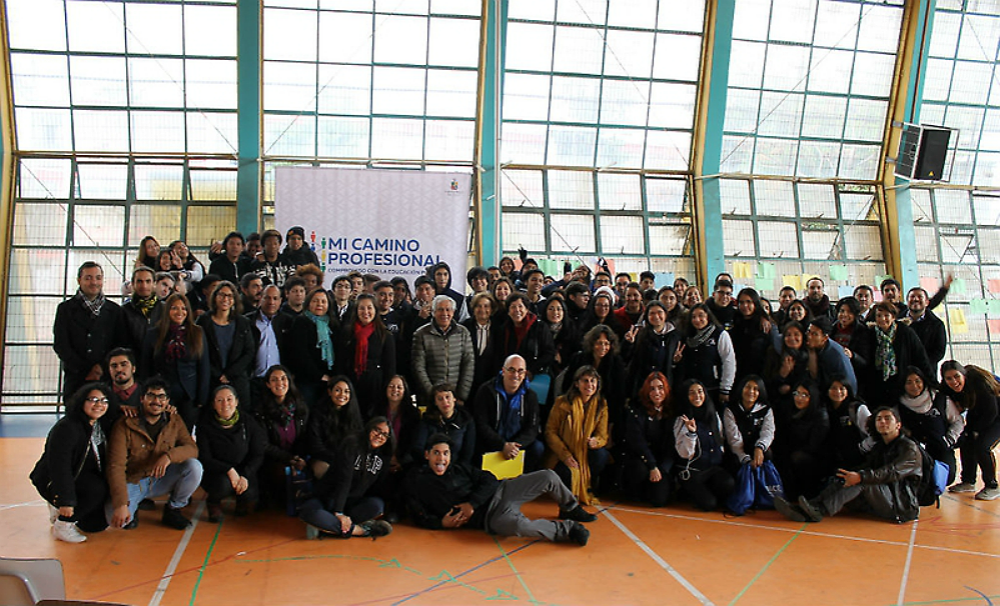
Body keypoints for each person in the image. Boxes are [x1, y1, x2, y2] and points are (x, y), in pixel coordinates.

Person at [404, 434, 594, 546]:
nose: (441, 458)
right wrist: (440, 523)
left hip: (503, 491)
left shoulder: (460, 468)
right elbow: (417, 513)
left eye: (445, 453)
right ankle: (567, 529)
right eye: (436, 453)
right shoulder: (420, 482)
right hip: (492, 516)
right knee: (521, 527)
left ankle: (570, 507)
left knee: (548, 476)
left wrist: (472, 503)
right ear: (427, 455)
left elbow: (489, 479)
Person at [774, 407, 922, 524]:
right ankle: (805, 508)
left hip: (901, 506)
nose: (882, 422)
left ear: (898, 424)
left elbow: (892, 472)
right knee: (847, 477)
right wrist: (847, 475)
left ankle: (819, 511)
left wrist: (860, 477)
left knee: (861, 482)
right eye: (879, 419)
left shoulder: (909, 448)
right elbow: (868, 467)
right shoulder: (880, 447)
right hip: (883, 496)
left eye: (887, 418)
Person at [105, 378, 203, 530]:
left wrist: (168, 457)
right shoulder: (125, 424)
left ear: (167, 401)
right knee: (115, 520)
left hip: (161, 478)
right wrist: (121, 504)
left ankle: (173, 509)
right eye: (151, 395)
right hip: (134, 481)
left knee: (194, 467)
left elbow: (192, 449)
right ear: (142, 398)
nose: (156, 401)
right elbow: (115, 466)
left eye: (161, 397)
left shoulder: (174, 420)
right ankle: (134, 505)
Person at [30, 383, 117, 542]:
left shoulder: (99, 424)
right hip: (55, 478)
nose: (99, 405)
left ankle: (61, 509)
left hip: (81, 474)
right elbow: (59, 467)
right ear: (82, 401)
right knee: (97, 489)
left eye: (104, 401)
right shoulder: (67, 428)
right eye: (93, 400)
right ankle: (63, 525)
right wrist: (66, 501)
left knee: (95, 525)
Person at [299, 417, 394, 539]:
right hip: (328, 499)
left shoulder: (382, 456)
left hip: (352, 504)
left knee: (376, 505)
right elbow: (344, 479)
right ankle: (360, 531)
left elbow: (377, 486)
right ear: (369, 428)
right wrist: (339, 512)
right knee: (310, 513)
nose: (379, 436)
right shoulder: (352, 443)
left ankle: (331, 527)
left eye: (385, 435)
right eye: (377, 430)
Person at [54, 262, 123, 400]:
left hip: (106, 377)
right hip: (76, 377)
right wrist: (85, 370)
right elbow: (61, 345)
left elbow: (120, 344)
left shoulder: (115, 310)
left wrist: (101, 368)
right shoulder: (65, 309)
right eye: (88, 278)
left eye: (98, 278)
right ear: (79, 280)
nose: (94, 282)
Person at [197, 385, 267, 522]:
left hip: (243, 470)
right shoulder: (204, 425)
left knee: (250, 494)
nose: (225, 404)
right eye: (220, 400)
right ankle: (213, 502)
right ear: (213, 404)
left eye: (229, 399)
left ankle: (241, 500)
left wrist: (245, 475)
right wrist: (228, 470)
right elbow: (205, 458)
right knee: (223, 485)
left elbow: (258, 453)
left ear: (236, 402)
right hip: (216, 472)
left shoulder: (248, 422)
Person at [143, 294, 210, 430]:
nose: (180, 312)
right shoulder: (154, 333)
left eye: (184, 308)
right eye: (174, 308)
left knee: (185, 433)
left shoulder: (197, 332)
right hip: (162, 394)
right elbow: (145, 366)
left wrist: (201, 398)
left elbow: (203, 366)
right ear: (167, 310)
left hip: (189, 395)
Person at [546, 365, 609, 505]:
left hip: (586, 453)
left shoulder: (601, 405)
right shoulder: (562, 403)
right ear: (576, 384)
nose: (589, 385)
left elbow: (603, 436)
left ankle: (589, 484)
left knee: (601, 455)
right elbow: (550, 432)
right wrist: (566, 456)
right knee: (568, 476)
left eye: (593, 381)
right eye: (585, 380)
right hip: (563, 453)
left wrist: (595, 442)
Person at [939, 361, 1000, 500]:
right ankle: (968, 481)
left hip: (996, 414)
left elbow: (992, 411)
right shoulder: (946, 388)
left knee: (983, 446)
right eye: (949, 378)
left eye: (956, 377)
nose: (954, 382)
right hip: (979, 412)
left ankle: (992, 486)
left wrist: (977, 431)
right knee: (967, 441)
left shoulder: (980, 383)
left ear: (963, 375)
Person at [253, 365, 310, 508]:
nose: (280, 383)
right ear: (267, 384)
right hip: (273, 459)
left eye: (283, 379)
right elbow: (264, 444)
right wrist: (289, 459)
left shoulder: (301, 407)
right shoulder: (261, 411)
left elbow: (306, 436)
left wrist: (299, 457)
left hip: (298, 456)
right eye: (274, 380)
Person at [471, 355, 543, 469]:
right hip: (492, 442)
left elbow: (532, 428)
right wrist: (502, 445)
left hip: (517, 446)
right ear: (503, 371)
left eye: (520, 371)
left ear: (525, 374)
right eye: (511, 370)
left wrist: (515, 446)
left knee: (538, 448)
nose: (515, 375)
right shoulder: (486, 391)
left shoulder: (531, 396)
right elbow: (481, 424)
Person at [673, 379, 734, 511]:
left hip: (712, 468)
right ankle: (686, 491)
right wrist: (691, 433)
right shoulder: (681, 420)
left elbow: (721, 439)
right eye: (691, 393)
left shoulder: (713, 415)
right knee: (708, 504)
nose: (697, 396)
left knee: (728, 484)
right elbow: (684, 453)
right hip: (693, 471)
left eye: (700, 392)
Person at [197, 281, 255, 410]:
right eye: (222, 295)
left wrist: (230, 374)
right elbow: (198, 351)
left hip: (237, 380)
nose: (225, 299)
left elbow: (249, 351)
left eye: (229, 296)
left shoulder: (243, 322)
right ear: (215, 297)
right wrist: (217, 374)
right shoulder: (203, 321)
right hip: (211, 379)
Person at [899, 366, 962, 485]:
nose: (914, 386)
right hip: (915, 450)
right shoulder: (900, 405)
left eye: (917, 381)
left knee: (946, 477)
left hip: (940, 446)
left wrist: (949, 439)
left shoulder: (940, 399)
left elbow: (957, 421)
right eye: (909, 382)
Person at [411, 295, 475, 406]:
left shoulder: (463, 332)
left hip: (455, 397)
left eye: (448, 309)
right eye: (440, 309)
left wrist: (461, 395)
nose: (444, 313)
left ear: (454, 312)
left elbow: (468, 364)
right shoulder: (421, 334)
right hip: (429, 397)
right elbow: (418, 367)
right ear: (433, 312)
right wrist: (433, 395)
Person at [623, 372, 675, 507]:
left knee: (659, 500)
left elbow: (672, 444)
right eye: (652, 389)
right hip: (642, 459)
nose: (657, 392)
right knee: (638, 472)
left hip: (663, 461)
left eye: (660, 387)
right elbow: (637, 442)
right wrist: (652, 465)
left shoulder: (673, 411)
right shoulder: (637, 410)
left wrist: (662, 469)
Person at [340, 293, 396, 419]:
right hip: (351, 382)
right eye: (362, 308)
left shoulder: (385, 335)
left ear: (375, 310)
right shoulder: (347, 332)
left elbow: (390, 366)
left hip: (375, 385)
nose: (366, 312)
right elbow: (340, 360)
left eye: (369, 308)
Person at [773, 379, 830, 499]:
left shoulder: (820, 415)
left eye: (804, 395)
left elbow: (814, 445)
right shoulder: (791, 411)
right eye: (796, 393)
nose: (799, 398)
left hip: (815, 457)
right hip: (793, 450)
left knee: (796, 458)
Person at [869, 301, 932, 404]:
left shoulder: (905, 332)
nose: (882, 319)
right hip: (879, 384)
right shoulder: (871, 334)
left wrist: (931, 382)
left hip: (902, 381)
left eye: (886, 315)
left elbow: (920, 356)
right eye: (879, 316)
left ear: (893, 317)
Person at [283, 288, 337, 406]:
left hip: (329, 380)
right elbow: (300, 354)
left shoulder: (332, 324)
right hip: (307, 380)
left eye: (323, 301)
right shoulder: (301, 322)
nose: (319, 304)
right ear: (308, 304)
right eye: (315, 301)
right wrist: (319, 376)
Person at [674, 303, 735, 404]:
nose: (697, 320)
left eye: (701, 315)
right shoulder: (687, 336)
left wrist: (726, 388)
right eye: (693, 317)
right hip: (691, 389)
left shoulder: (719, 334)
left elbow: (728, 361)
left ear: (708, 316)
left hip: (712, 387)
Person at [307, 377, 364, 479]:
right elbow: (315, 444)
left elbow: (358, 443)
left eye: (346, 392)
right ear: (329, 392)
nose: (342, 395)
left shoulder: (354, 415)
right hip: (323, 458)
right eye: (338, 390)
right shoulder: (317, 413)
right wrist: (336, 459)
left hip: (347, 459)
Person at [413, 383, 477, 466]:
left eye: (447, 397)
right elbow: (418, 448)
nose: (445, 402)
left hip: (458, 469)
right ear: (435, 402)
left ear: (454, 398)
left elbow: (468, 453)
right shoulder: (427, 420)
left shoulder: (466, 420)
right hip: (430, 468)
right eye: (440, 399)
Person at [625, 301, 680, 396]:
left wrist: (675, 362)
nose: (656, 316)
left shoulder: (675, 336)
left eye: (659, 312)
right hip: (643, 384)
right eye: (652, 313)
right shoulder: (639, 333)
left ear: (665, 314)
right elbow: (628, 357)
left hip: (666, 384)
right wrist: (629, 343)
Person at [722, 375, 775, 473]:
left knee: (767, 454)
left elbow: (768, 432)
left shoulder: (766, 409)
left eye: (755, 389)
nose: (751, 392)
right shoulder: (731, 409)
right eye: (748, 387)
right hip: (737, 450)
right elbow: (733, 438)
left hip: (756, 447)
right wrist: (745, 459)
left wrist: (759, 447)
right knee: (734, 462)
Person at [497, 293, 555, 381]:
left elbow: (549, 353)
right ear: (508, 311)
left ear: (527, 309)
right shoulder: (504, 329)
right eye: (513, 307)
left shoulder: (540, 327)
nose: (517, 310)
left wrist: (531, 370)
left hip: (534, 375)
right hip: (509, 376)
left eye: (520, 306)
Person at [117, 267, 163, 366]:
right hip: (134, 365)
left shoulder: (165, 309)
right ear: (133, 284)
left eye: (148, 281)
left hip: (161, 364)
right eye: (139, 281)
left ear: (154, 284)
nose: (144, 285)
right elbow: (121, 342)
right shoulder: (124, 311)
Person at [729, 288, 778, 382]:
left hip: (760, 376)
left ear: (755, 303)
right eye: (741, 302)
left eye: (749, 302)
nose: (745, 306)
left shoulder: (765, 325)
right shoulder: (735, 322)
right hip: (738, 374)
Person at [824, 375, 871, 471]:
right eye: (833, 388)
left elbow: (875, 433)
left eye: (842, 388)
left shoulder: (856, 408)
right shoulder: (825, 409)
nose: (838, 392)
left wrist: (861, 448)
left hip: (860, 461)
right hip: (836, 460)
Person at [830, 297, 874, 397]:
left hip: (854, 377)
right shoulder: (831, 329)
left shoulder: (862, 331)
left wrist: (852, 355)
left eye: (849, 312)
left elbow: (865, 361)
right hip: (833, 376)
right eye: (841, 311)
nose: (844, 315)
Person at [462, 292, 501, 394]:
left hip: (491, 378)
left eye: (486, 306)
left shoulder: (499, 328)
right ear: (473, 309)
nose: (482, 310)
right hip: (468, 379)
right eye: (478, 306)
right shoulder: (465, 327)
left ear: (492, 309)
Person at [805, 317, 858, 393]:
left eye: (814, 334)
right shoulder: (815, 346)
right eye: (808, 331)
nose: (809, 336)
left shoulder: (835, 355)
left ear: (825, 338)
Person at [906, 287, 948, 368]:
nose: (915, 299)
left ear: (927, 302)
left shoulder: (937, 325)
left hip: (926, 371)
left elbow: (939, 351)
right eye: (912, 296)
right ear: (907, 302)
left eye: (920, 297)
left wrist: (923, 364)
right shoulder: (897, 321)